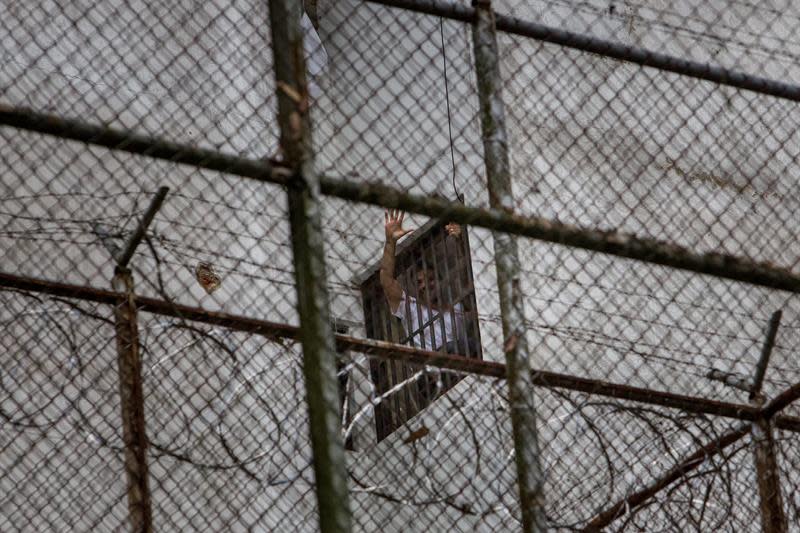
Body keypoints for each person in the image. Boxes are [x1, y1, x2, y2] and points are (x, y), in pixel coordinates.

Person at [380, 210, 470, 354]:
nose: (425, 285)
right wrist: (390, 243)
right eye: (419, 282)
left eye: (431, 279)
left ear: (441, 281)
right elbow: (386, 280)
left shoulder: (457, 307)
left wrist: (459, 240)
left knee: (463, 346)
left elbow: (467, 275)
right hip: (432, 370)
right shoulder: (411, 308)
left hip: (459, 364)